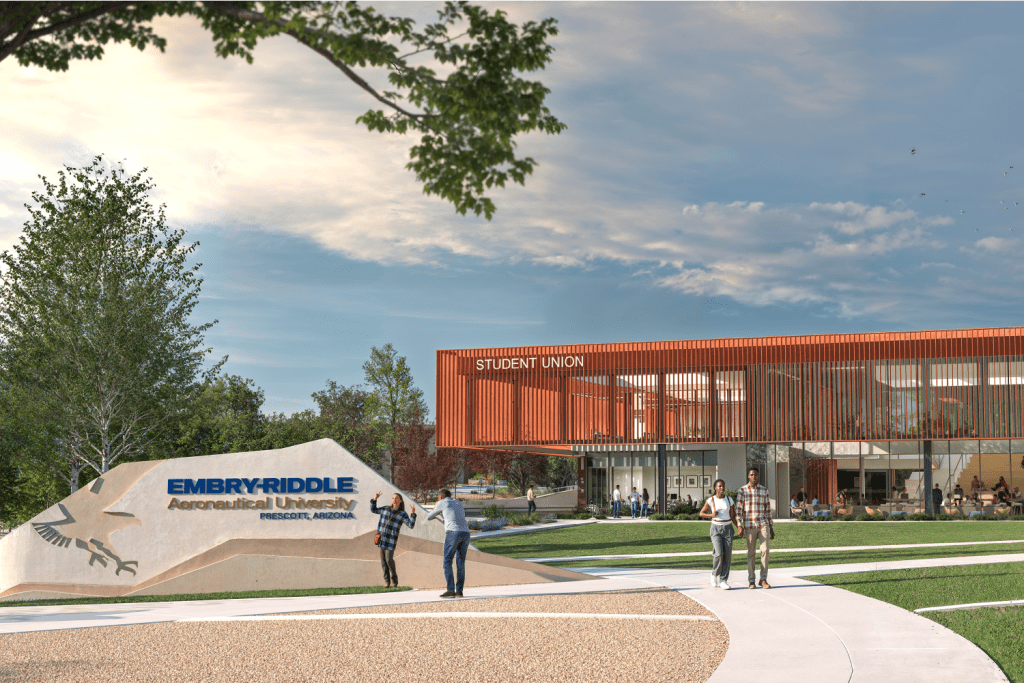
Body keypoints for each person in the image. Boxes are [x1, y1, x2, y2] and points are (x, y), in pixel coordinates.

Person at [425, 489, 470, 598]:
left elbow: (429, 517)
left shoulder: (442, 502)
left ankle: (450, 590)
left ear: (440, 497)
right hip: (466, 533)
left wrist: (436, 506)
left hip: (453, 533)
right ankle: (459, 591)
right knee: (460, 563)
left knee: (447, 560)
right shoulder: (458, 503)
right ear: (451, 495)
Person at [736, 467, 774, 589]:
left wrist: (771, 527)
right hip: (749, 525)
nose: (754, 477)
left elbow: (768, 510)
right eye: (752, 475)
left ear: (758, 476)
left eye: (756, 475)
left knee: (765, 550)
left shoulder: (764, 490)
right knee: (751, 553)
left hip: (763, 524)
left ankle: (763, 579)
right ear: (748, 476)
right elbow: (738, 509)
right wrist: (739, 525)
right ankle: (751, 580)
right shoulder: (742, 490)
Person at [370, 491, 417, 589]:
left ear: (400, 501)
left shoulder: (402, 514)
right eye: (392, 498)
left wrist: (412, 514)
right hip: (382, 539)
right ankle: (386, 581)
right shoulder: (385, 509)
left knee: (389, 559)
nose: (394, 500)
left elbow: (411, 525)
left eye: (396, 498)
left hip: (391, 540)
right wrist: (375, 499)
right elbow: (373, 509)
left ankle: (394, 580)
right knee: (383, 561)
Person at [699, 479, 737, 590]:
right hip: (716, 528)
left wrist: (739, 527)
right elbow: (701, 513)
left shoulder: (729, 500)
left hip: (728, 528)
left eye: (723, 486)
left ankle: (723, 580)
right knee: (719, 553)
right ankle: (714, 574)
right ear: (715, 488)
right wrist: (711, 514)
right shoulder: (711, 500)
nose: (722, 488)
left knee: (727, 556)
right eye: (719, 486)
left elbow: (733, 516)